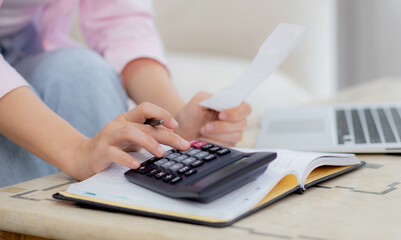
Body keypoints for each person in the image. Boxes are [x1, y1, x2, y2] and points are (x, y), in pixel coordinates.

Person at [0, 1, 251, 188]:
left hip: (22, 53)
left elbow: (120, 21)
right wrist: (75, 151)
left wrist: (175, 123)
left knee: (82, 72)